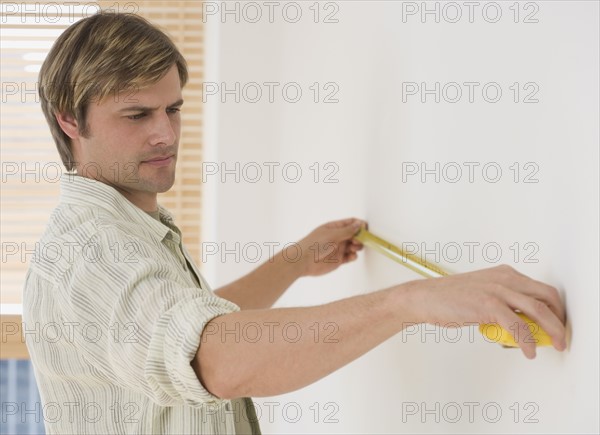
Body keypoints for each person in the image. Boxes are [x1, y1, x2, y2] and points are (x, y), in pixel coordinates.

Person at [23, 10, 567, 435]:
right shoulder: (93, 249)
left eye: (174, 109)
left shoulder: (132, 228)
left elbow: (195, 326)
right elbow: (215, 358)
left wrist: (295, 262)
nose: (166, 134)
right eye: (138, 115)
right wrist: (411, 302)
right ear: (70, 119)